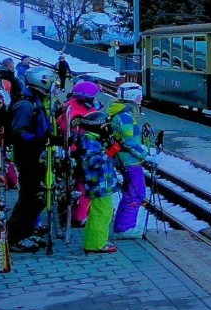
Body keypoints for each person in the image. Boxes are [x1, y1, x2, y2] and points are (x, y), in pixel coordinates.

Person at [5, 68, 54, 253]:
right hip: (28, 157)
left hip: (35, 155)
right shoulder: (25, 104)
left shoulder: (34, 100)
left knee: (38, 196)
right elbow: (18, 132)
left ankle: (26, 231)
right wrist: (40, 139)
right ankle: (15, 236)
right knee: (29, 196)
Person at [109, 88, 149, 240]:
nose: (141, 99)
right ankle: (124, 228)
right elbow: (129, 141)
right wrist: (146, 155)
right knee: (136, 193)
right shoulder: (125, 116)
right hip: (130, 161)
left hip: (125, 159)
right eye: (139, 96)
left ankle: (123, 226)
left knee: (131, 192)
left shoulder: (120, 112)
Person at [75, 111, 117, 254]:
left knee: (96, 213)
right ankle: (99, 244)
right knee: (103, 213)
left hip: (99, 183)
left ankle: (91, 242)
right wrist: (110, 152)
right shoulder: (90, 141)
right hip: (99, 183)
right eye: (105, 126)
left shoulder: (91, 138)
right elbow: (93, 162)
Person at [62, 81, 101, 228]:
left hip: (78, 151)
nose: (95, 101)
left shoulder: (72, 107)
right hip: (79, 152)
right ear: (86, 98)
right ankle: (81, 216)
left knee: (81, 184)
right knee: (85, 184)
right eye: (94, 98)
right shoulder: (76, 114)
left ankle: (79, 213)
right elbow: (74, 134)